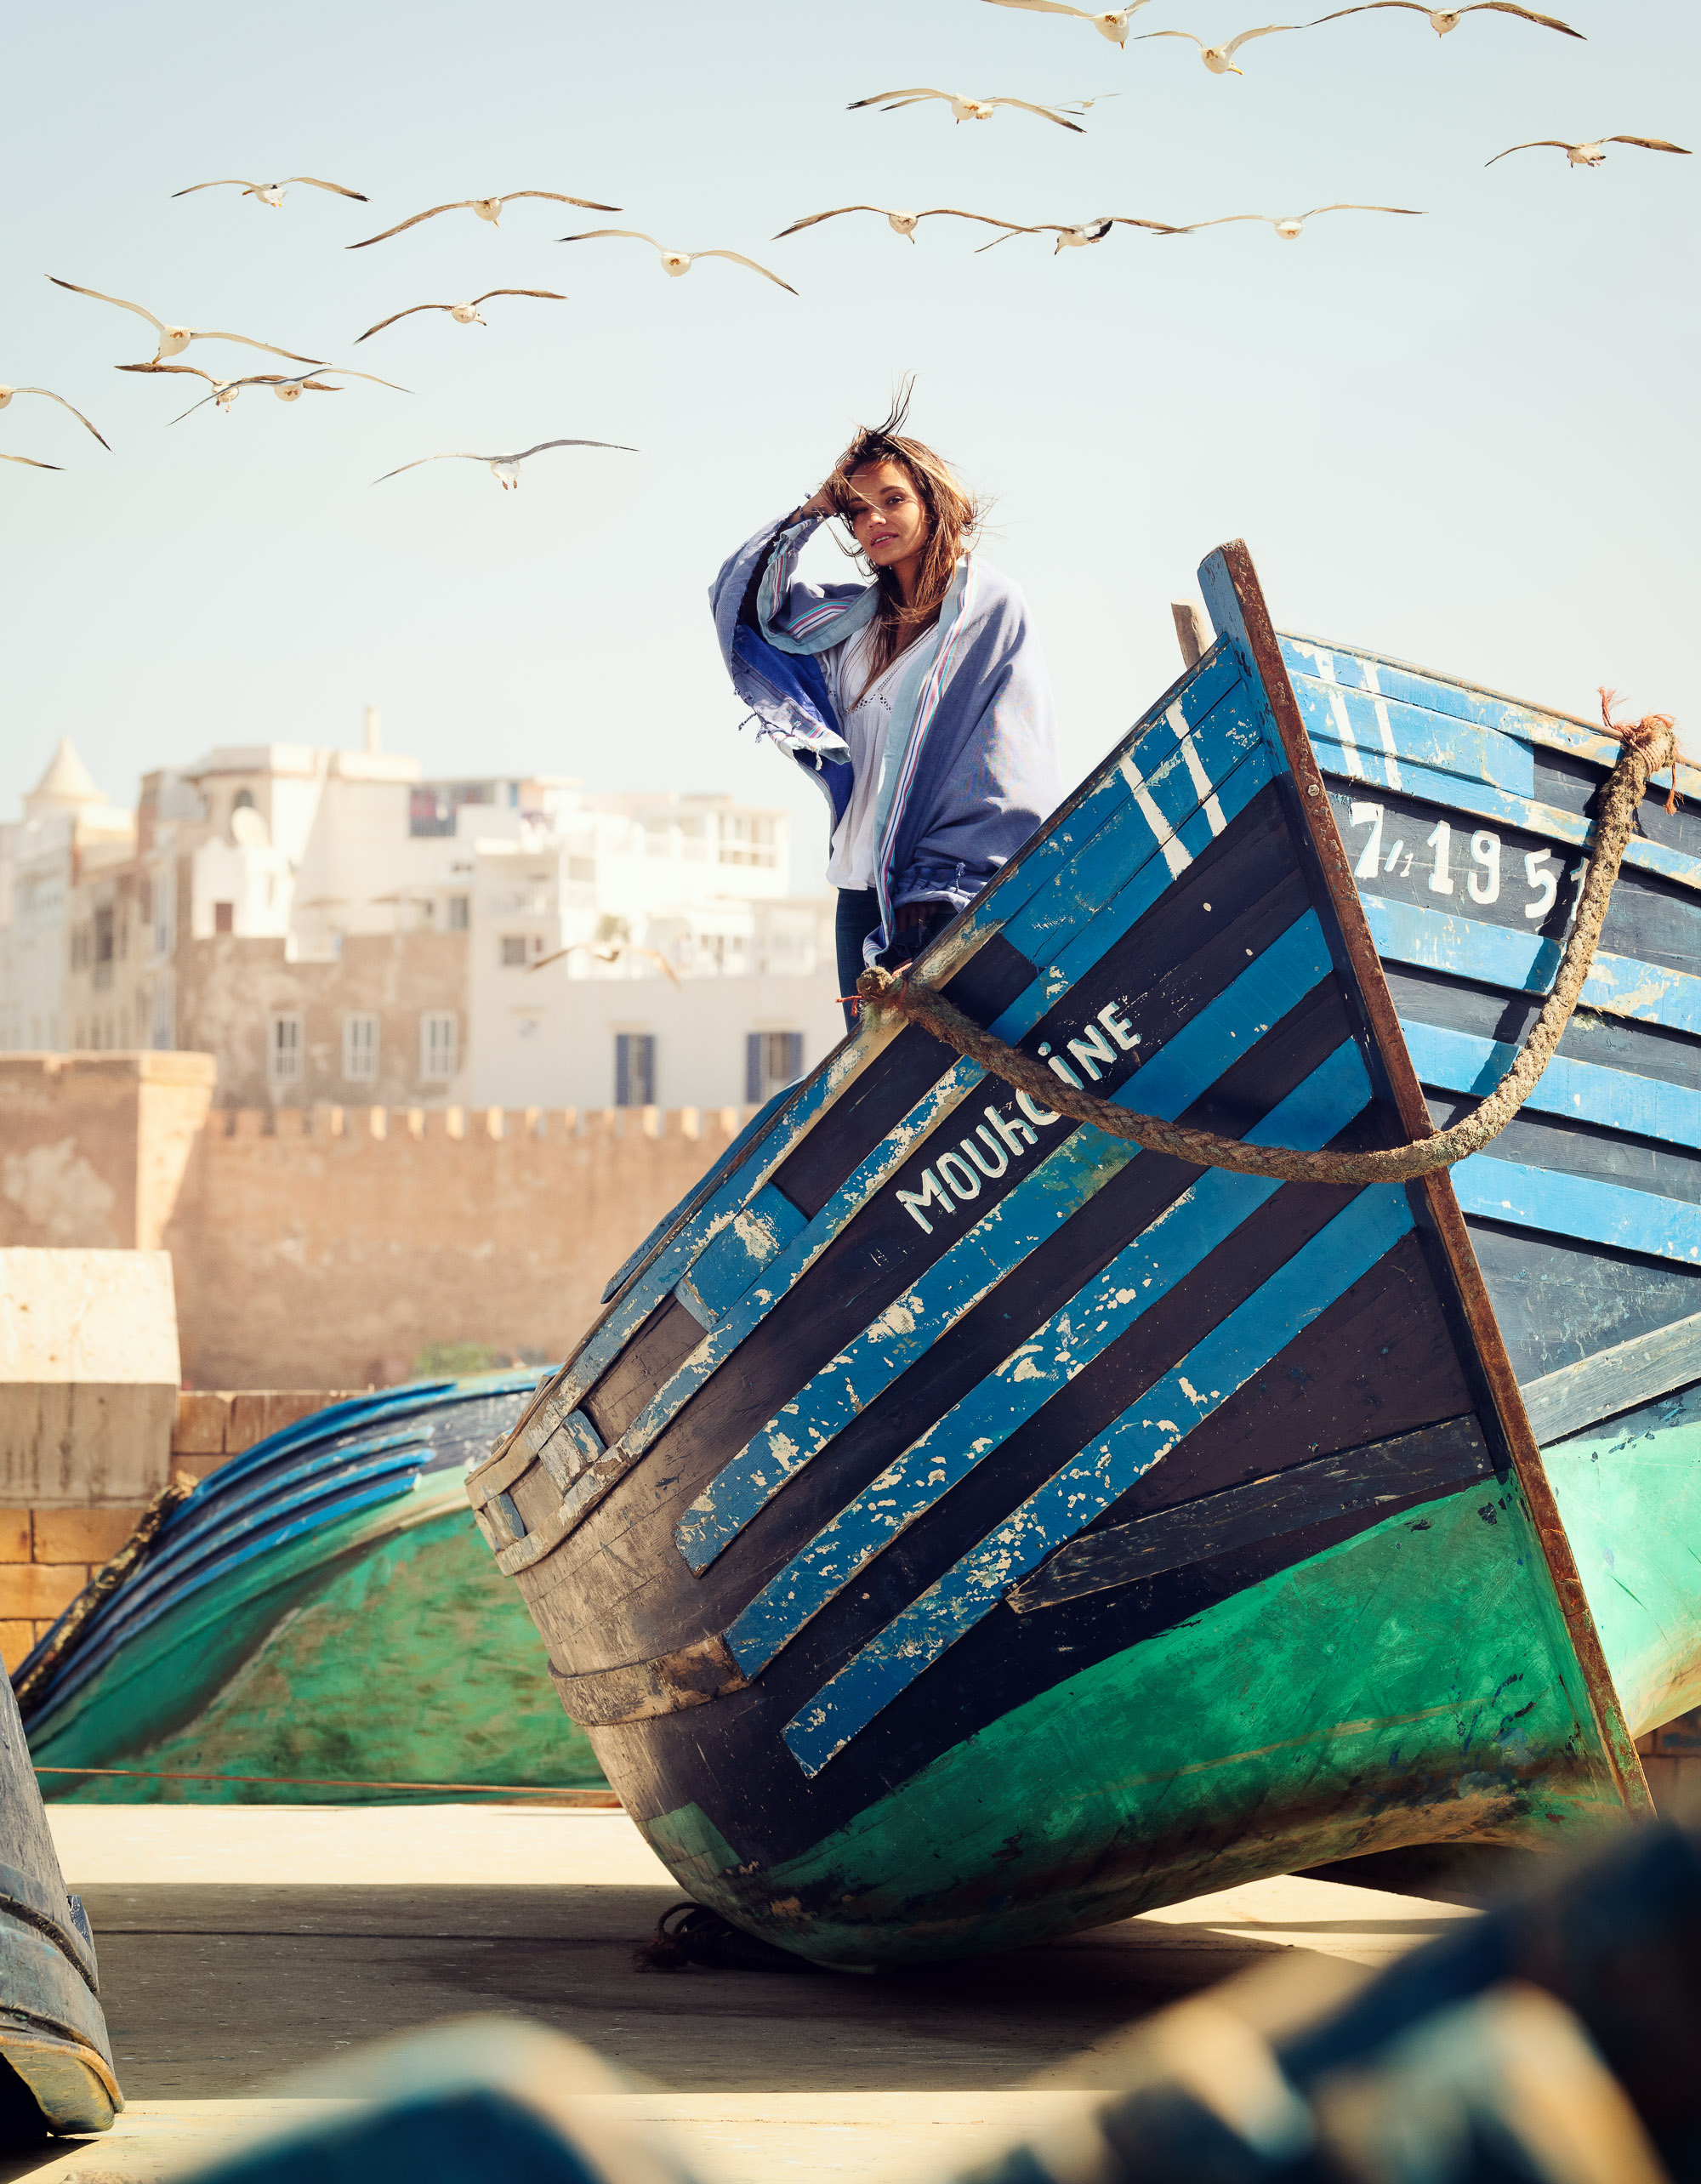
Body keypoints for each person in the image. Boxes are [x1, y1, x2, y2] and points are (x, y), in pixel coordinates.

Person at [711, 391, 1062, 1029]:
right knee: (874, 1077)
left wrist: (938, 895)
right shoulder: (848, 624)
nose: (873, 520)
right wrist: (814, 508)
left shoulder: (987, 608)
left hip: (939, 892)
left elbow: (1003, 758)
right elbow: (738, 605)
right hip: (856, 890)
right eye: (856, 511)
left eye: (893, 500)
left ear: (933, 501)